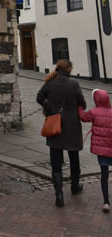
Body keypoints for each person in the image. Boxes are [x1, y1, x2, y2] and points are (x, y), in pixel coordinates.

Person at [37, 58, 86, 207]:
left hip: (55, 125)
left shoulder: (50, 83)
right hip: (71, 125)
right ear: (69, 69)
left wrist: (49, 106)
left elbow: (40, 97)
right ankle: (75, 187)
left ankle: (59, 195)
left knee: (56, 162)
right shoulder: (74, 84)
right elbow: (82, 103)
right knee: (74, 157)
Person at [78, 89, 112, 212]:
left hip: (102, 150)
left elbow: (83, 117)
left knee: (104, 174)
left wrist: (79, 107)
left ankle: (106, 202)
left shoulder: (94, 112)